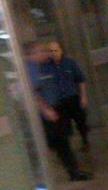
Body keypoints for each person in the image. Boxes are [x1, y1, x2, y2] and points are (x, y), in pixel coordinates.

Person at [24, 41, 91, 181]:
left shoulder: (42, 66)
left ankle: (73, 172)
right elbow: (32, 92)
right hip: (45, 114)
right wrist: (46, 109)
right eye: (42, 51)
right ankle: (66, 173)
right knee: (57, 143)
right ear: (33, 53)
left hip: (53, 109)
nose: (46, 53)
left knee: (61, 142)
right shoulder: (30, 69)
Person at [47, 40, 90, 150]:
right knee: (64, 126)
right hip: (59, 101)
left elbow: (80, 80)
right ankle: (67, 148)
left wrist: (83, 96)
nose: (53, 53)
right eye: (51, 51)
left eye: (56, 50)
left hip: (72, 97)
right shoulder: (46, 67)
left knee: (81, 121)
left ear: (61, 51)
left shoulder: (70, 63)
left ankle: (85, 141)